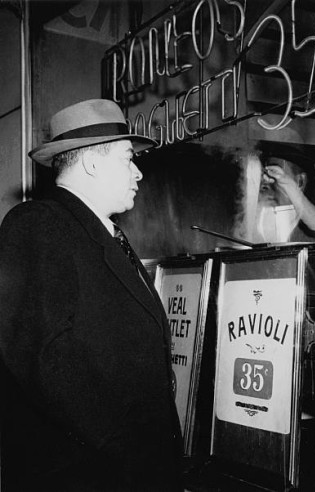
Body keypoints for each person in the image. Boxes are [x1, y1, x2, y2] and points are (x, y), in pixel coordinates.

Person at [0, 99, 184, 491]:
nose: (137, 172)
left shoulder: (105, 235)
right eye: (128, 158)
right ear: (93, 164)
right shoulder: (37, 224)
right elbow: (44, 355)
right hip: (91, 473)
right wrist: (127, 447)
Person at [254, 141, 315, 243]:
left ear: (300, 182)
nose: (265, 182)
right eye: (263, 174)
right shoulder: (249, 230)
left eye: (273, 172)